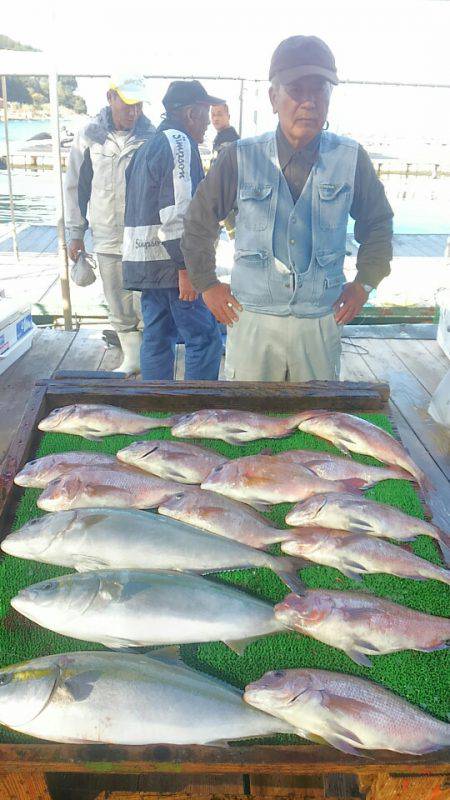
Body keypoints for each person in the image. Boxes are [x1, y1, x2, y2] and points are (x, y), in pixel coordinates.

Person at [181, 36, 394, 382]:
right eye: (297, 89)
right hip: (251, 318)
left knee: (318, 423)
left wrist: (364, 284)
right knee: (246, 422)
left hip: (320, 321)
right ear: (273, 97)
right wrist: (207, 283)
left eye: (320, 90)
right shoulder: (239, 156)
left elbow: (379, 224)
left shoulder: (352, 159)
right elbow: (198, 221)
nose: (309, 101)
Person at [122, 80, 224, 381]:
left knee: (157, 337)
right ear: (191, 113)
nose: (208, 121)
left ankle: (157, 410)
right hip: (174, 268)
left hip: (146, 267)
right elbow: (177, 211)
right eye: (206, 112)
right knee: (204, 339)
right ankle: (197, 416)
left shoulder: (147, 146)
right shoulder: (178, 142)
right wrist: (185, 268)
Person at [65, 74, 155, 375]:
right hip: (106, 236)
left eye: (138, 104)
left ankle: (152, 360)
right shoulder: (88, 136)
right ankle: (131, 359)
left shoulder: (153, 137)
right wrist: (75, 232)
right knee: (116, 299)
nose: (133, 111)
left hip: (145, 238)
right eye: (127, 103)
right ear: (110, 97)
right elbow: (76, 187)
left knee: (149, 303)